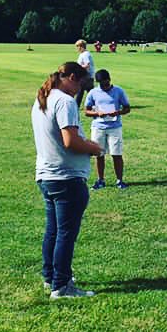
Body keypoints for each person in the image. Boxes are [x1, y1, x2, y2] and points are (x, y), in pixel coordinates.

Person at [31, 61, 104, 299]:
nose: (79, 91)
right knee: (65, 233)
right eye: (80, 84)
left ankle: (50, 276)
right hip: (66, 178)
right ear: (72, 77)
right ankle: (61, 286)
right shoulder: (64, 101)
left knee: (53, 231)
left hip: (47, 176)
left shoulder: (43, 98)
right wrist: (94, 148)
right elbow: (70, 141)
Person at [84, 69, 131, 190]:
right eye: (101, 84)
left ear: (109, 80)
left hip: (114, 127)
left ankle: (120, 180)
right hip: (98, 127)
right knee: (99, 154)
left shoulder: (119, 91)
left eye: (105, 83)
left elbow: (127, 108)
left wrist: (118, 112)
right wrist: (96, 113)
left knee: (117, 154)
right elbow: (86, 111)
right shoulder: (93, 92)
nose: (104, 87)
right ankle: (100, 180)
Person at [74, 39, 96, 106]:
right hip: (87, 76)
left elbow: (87, 65)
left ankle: (76, 105)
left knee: (80, 91)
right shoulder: (83, 54)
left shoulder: (85, 54)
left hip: (86, 76)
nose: (77, 48)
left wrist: (78, 67)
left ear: (81, 47)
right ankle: (97, 104)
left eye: (77, 47)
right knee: (90, 92)